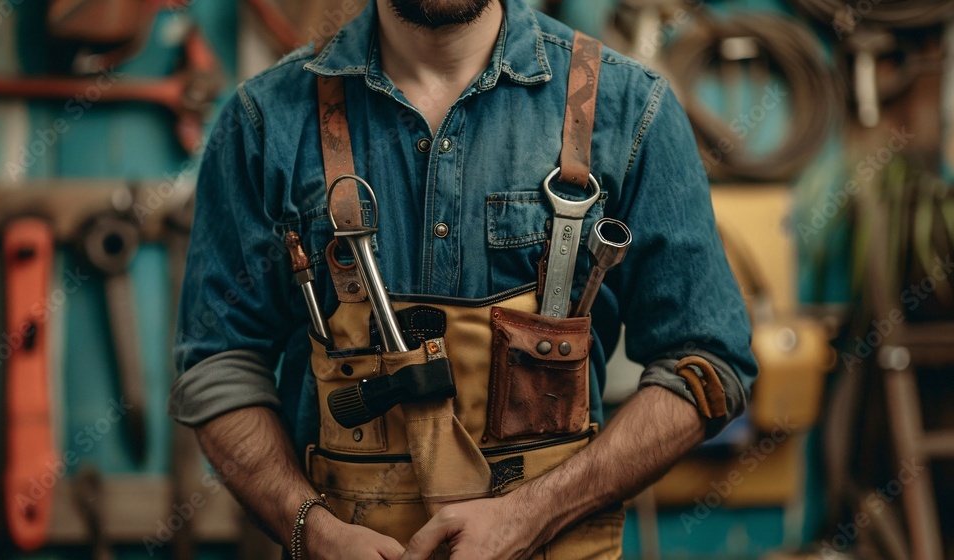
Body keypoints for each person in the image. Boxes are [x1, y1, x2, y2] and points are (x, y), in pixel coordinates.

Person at [168, 0, 758, 558]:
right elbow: (219, 367)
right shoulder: (266, 122)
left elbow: (706, 363)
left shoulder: (629, 111)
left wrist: (534, 514)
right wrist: (310, 531)